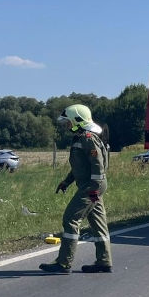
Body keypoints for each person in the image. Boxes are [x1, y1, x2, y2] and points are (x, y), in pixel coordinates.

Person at [39, 104, 113, 274]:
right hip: (93, 186)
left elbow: (98, 166)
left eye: (68, 122)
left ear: (78, 121)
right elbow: (80, 167)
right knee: (98, 223)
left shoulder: (88, 138)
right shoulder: (81, 138)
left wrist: (93, 189)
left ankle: (63, 263)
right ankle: (104, 261)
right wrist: (66, 182)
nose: (66, 125)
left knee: (70, 219)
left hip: (92, 186)